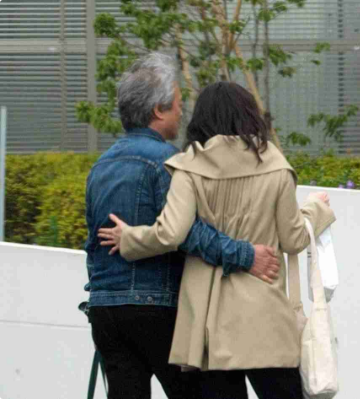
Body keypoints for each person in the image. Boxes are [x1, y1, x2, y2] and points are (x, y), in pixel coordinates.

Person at [98, 81, 336, 399]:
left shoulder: (188, 167)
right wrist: (315, 209)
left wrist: (129, 238)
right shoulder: (275, 165)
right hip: (265, 312)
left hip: (210, 321)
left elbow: (171, 233)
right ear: (249, 114)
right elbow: (293, 239)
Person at [85, 54, 282, 399]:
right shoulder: (168, 162)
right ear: (158, 110)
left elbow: (93, 243)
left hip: (105, 311)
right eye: (177, 104)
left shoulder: (99, 167)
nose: (181, 112)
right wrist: (246, 255)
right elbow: (189, 232)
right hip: (158, 309)